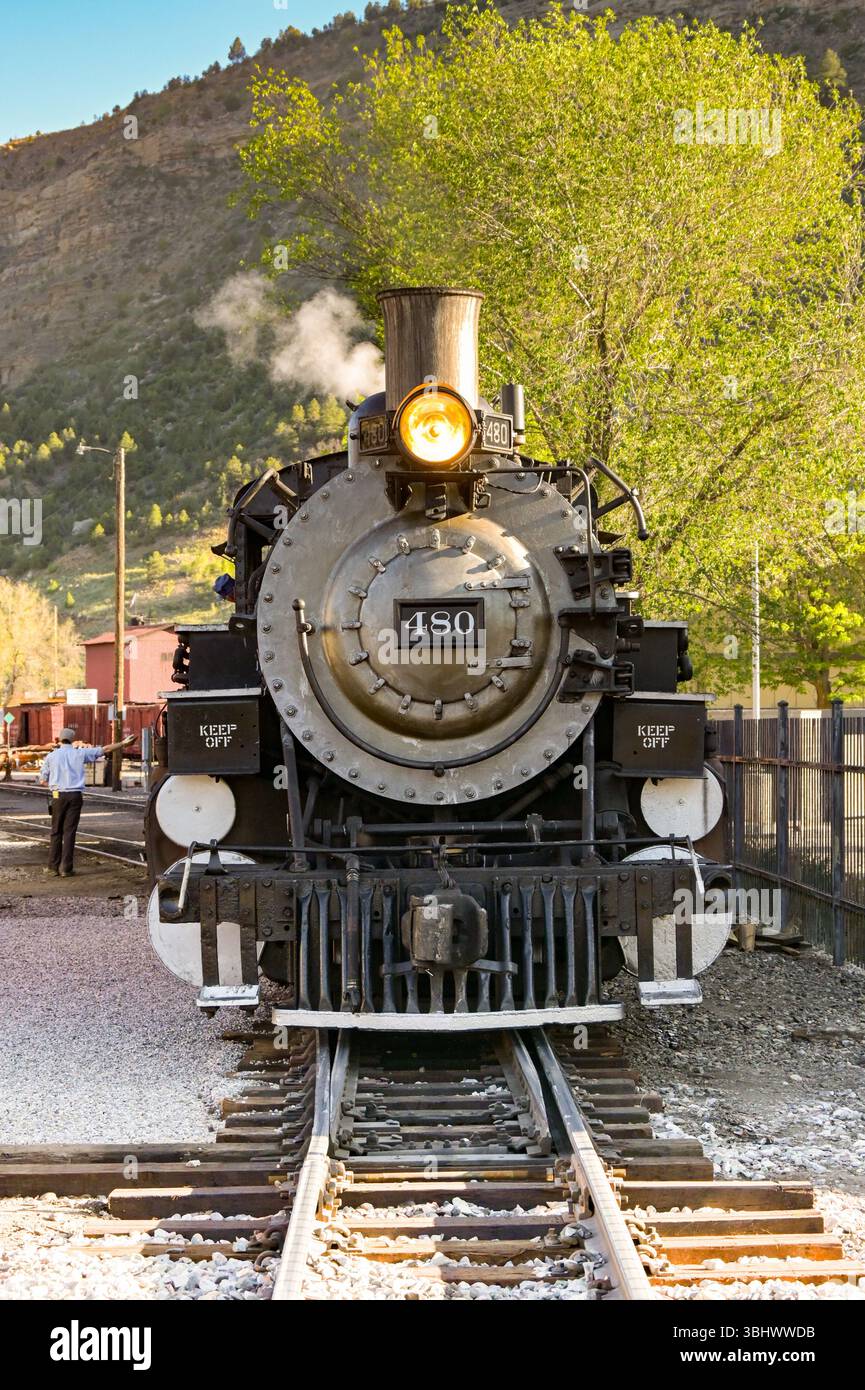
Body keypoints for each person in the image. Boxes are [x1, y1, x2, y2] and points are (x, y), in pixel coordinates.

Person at [38, 728, 135, 876]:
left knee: (56, 831)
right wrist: (122, 743)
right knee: (69, 831)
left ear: (59, 739)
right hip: (75, 796)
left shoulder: (51, 756)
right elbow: (105, 749)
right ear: (72, 739)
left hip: (58, 795)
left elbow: (43, 780)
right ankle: (66, 869)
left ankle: (52, 868)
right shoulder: (79, 753)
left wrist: (54, 785)